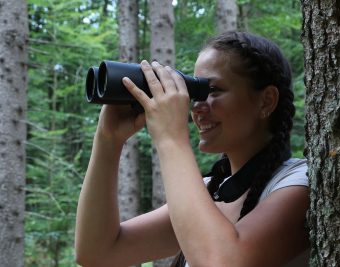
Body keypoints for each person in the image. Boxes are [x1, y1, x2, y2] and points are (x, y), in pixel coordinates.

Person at [75, 31, 310, 267]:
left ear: (266, 100)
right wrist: (108, 140)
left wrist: (171, 137)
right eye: (196, 92)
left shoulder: (301, 183)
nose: (196, 107)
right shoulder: (211, 193)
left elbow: (221, 262)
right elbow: (97, 252)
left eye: (213, 90)